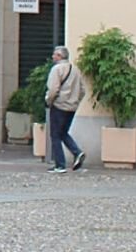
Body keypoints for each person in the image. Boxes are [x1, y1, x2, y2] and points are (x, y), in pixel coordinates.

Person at [44, 44, 86, 173]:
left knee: (55, 135)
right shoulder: (75, 70)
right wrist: (75, 101)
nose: (53, 56)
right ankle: (77, 152)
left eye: (54, 54)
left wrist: (49, 101)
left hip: (59, 106)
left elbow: (53, 89)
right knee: (63, 132)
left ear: (59, 56)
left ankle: (60, 165)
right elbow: (82, 90)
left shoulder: (57, 69)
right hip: (72, 107)